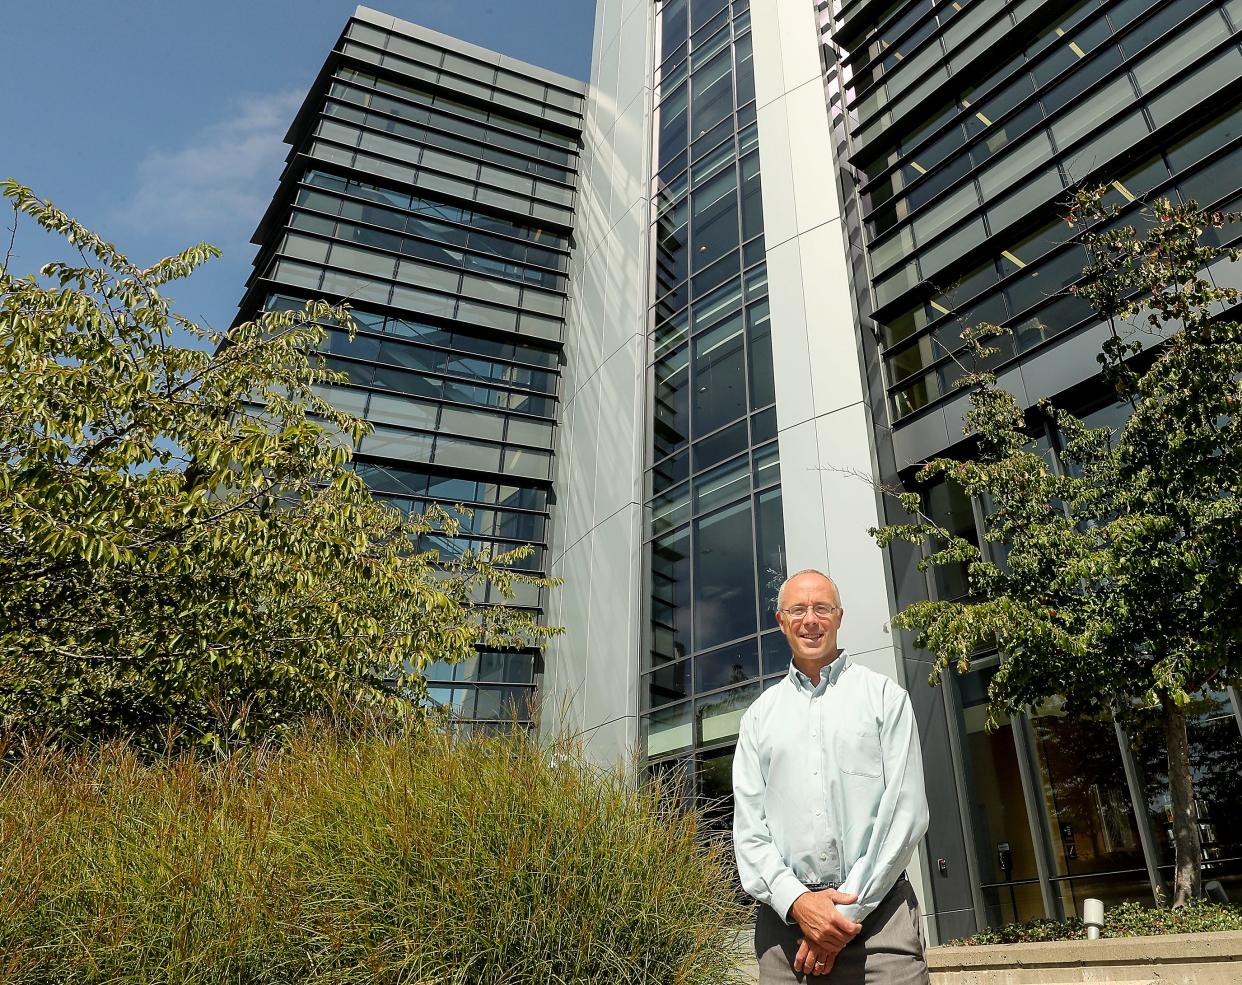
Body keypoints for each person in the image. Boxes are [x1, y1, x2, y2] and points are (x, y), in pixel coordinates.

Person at [733, 568, 930, 982]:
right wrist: (799, 903)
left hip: (881, 925)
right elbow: (750, 831)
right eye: (798, 609)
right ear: (781, 621)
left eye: (822, 608)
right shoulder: (758, 718)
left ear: (839, 617)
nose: (811, 620)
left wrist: (837, 918)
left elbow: (905, 815)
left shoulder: (884, 699)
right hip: (784, 932)